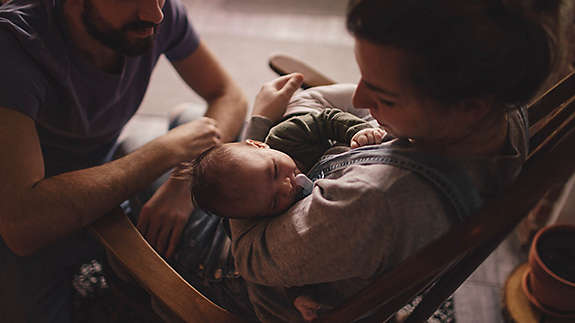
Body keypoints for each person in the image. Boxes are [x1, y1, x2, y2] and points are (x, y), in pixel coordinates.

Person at [218, 0, 558, 322]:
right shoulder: (500, 111)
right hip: (312, 245)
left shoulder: (374, 202)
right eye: (363, 75)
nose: (359, 96)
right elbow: (332, 101)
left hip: (255, 284)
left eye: (385, 97)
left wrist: (260, 126)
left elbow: (249, 257)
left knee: (191, 129)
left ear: (469, 107)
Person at [0, 0, 247, 320]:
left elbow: (228, 94)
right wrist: (164, 151)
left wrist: (185, 181)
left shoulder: (159, 13)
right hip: (28, 207)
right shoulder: (14, 46)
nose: (154, 14)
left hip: (107, 174)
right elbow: (21, 226)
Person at [192, 105, 385, 219]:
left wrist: (357, 132)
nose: (286, 186)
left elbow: (327, 119)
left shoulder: (284, 136)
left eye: (274, 171)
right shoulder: (281, 216)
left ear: (259, 145)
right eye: (274, 201)